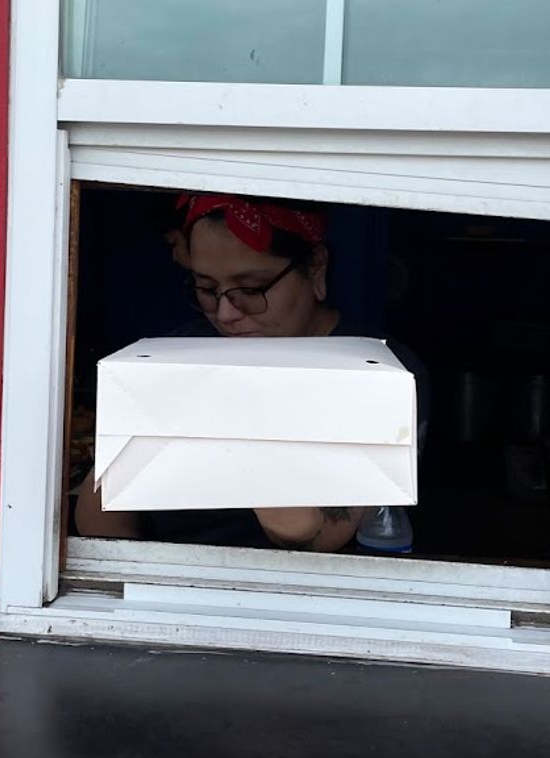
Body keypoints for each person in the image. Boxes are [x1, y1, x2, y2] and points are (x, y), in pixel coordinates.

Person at [75, 191, 428, 553]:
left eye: (252, 288)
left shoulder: (379, 373)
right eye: (207, 289)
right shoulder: (182, 351)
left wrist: (237, 405)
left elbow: (315, 532)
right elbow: (103, 519)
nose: (226, 314)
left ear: (316, 268)